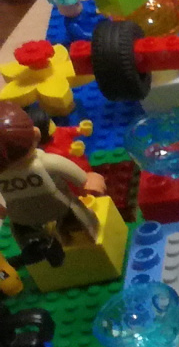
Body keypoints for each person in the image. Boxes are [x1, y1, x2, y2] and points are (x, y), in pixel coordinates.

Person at [0, 100, 104, 266]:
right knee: (81, 218)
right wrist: (88, 180)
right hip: (58, 206)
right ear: (36, 135)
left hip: (20, 216)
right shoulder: (46, 162)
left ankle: (34, 249)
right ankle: (89, 234)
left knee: (22, 232)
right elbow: (78, 176)